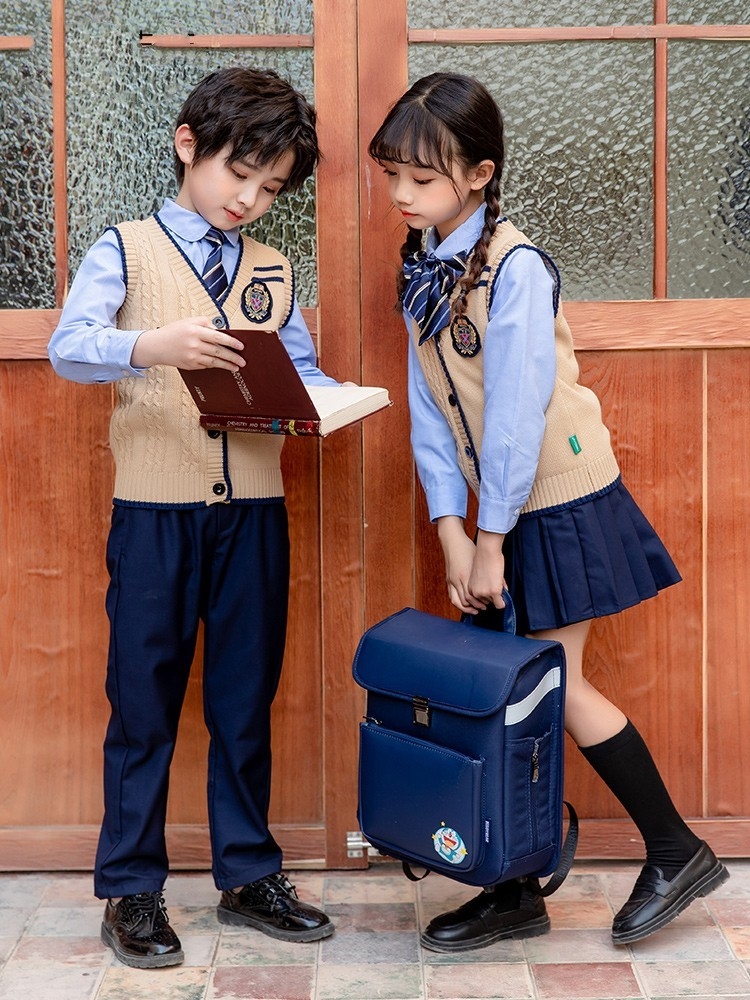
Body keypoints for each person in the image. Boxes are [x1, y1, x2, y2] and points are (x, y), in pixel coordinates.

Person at [368, 72, 728, 953]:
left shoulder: (516, 267)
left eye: (420, 179)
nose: (401, 196)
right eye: (392, 177)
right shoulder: (424, 262)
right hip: (491, 513)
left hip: (554, 502)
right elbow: (430, 409)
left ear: (480, 174)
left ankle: (676, 849)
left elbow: (518, 415)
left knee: (545, 689)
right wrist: (449, 531)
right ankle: (514, 886)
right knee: (507, 697)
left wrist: (489, 540)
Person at [48, 66, 338, 969]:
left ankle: (249, 876)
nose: (250, 199)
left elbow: (302, 374)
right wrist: (150, 345)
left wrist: (330, 401)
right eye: (238, 175)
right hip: (154, 516)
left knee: (245, 701)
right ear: (188, 146)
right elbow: (69, 349)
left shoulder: (275, 269)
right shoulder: (126, 249)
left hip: (255, 515)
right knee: (144, 705)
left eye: (271, 187)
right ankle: (132, 891)